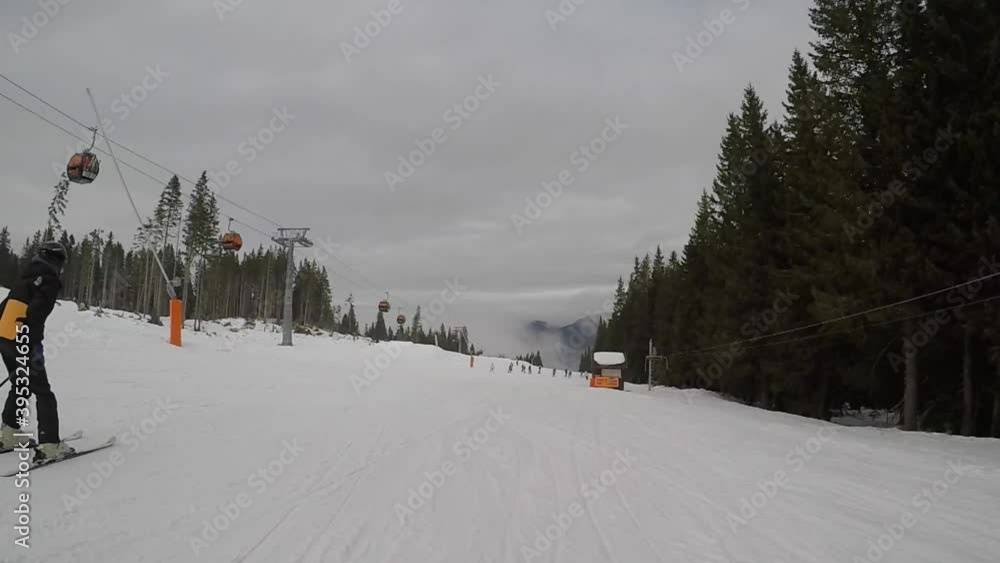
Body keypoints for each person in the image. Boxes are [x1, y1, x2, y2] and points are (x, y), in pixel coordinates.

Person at [0, 242, 74, 462]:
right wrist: (30, 344)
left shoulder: (25, 278)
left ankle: (9, 433)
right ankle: (50, 444)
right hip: (23, 340)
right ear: (57, 261)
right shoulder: (49, 279)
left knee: (21, 384)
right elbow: (37, 312)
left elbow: (4, 308)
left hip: (4, 337)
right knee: (43, 391)